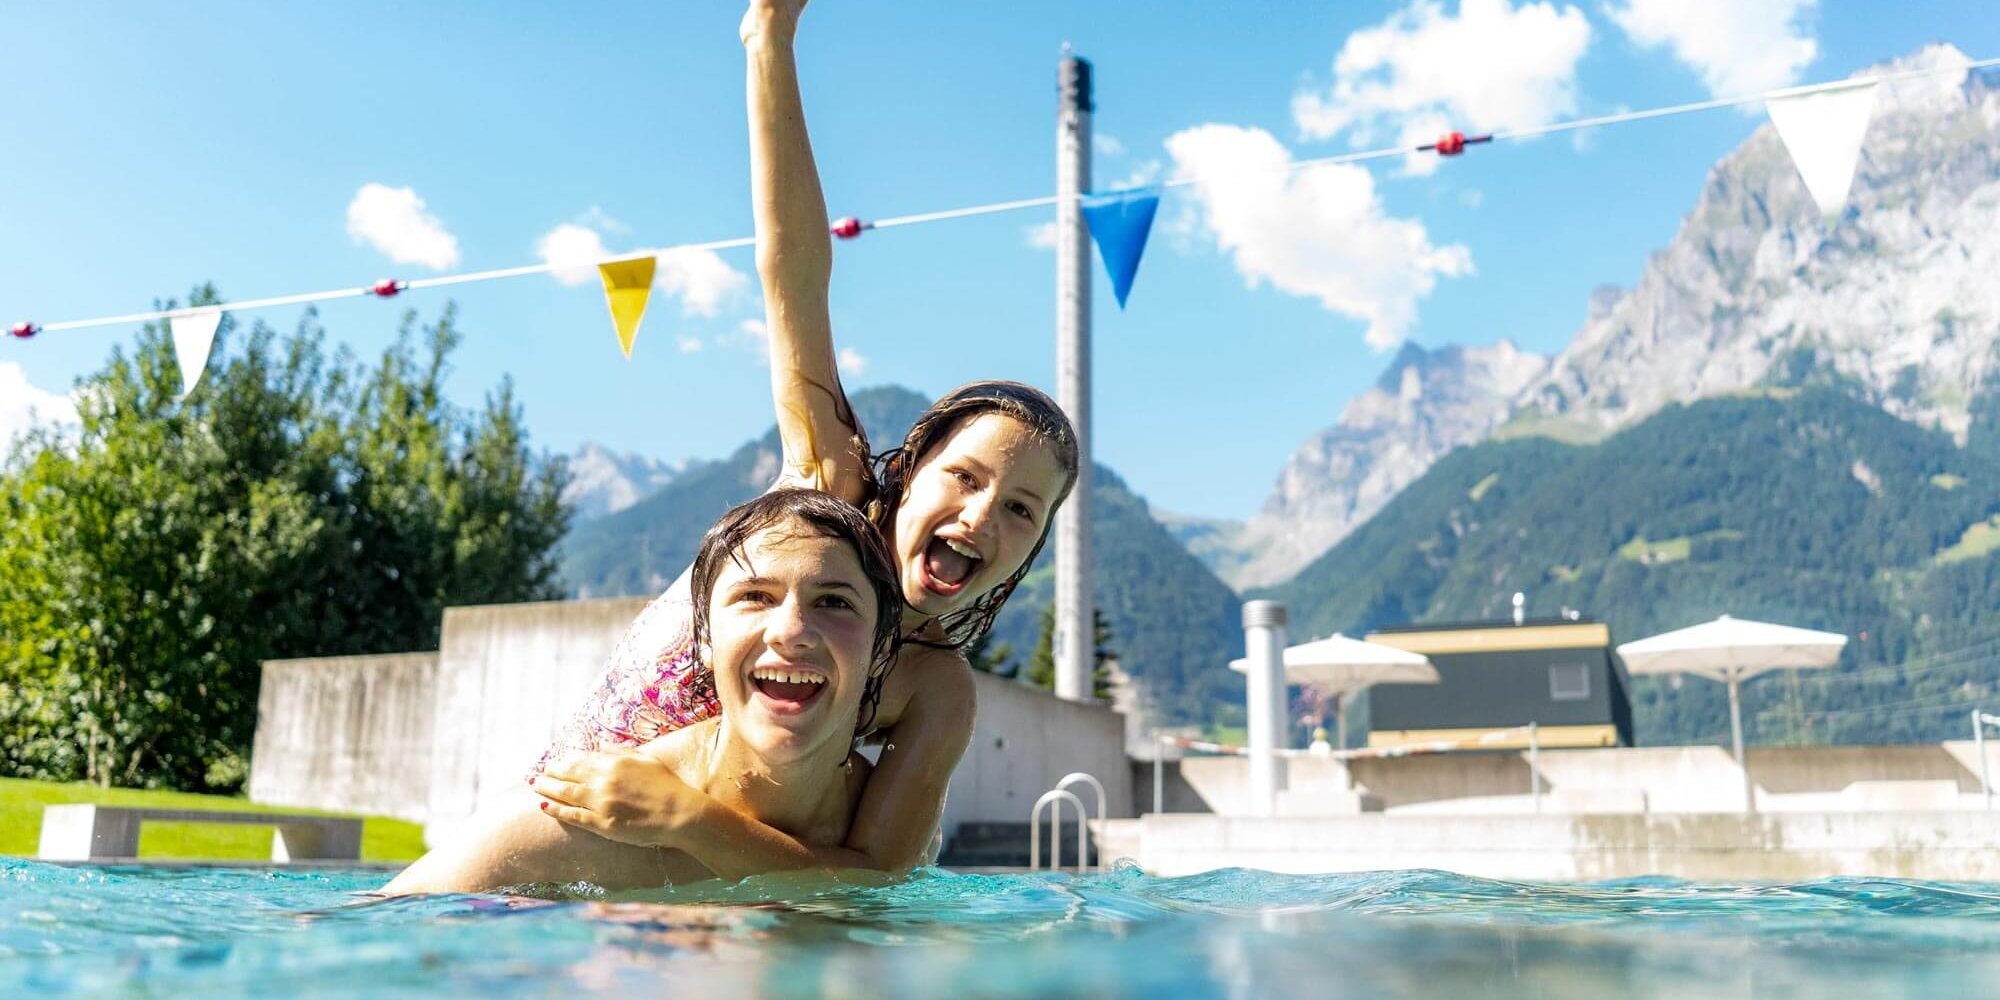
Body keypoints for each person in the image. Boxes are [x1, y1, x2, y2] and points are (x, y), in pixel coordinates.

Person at [515, 0, 1081, 878]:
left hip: (722, 913)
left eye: (1019, 509)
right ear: (909, 467)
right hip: (564, 857)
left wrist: (685, 819)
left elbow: (874, 879)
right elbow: (795, 274)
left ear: (1033, 547)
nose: (979, 515)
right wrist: (771, 37)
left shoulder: (936, 692)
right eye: (962, 478)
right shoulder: (822, 490)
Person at [383, 489, 900, 893]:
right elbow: (376, 931)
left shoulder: (887, 840)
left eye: (834, 602)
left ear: (880, 650)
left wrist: (690, 823)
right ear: (703, 640)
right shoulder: (579, 820)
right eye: (755, 596)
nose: (791, 630)